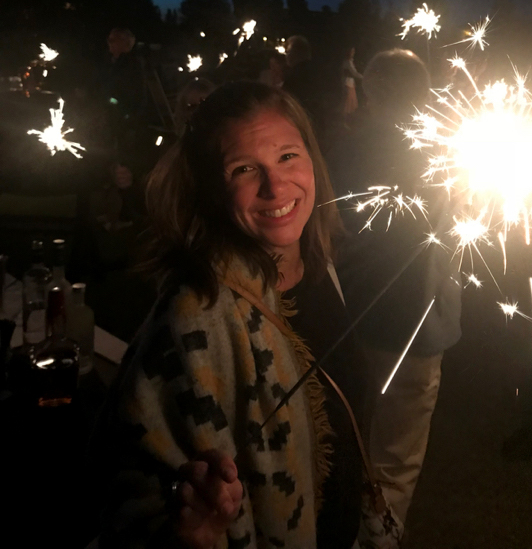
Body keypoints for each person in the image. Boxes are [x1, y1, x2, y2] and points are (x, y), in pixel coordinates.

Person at [93, 81, 376, 548]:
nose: (275, 186)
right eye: (244, 169)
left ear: (313, 159)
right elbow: (129, 487)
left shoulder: (318, 263)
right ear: (210, 188)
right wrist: (186, 528)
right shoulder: (198, 314)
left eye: (288, 156)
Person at [328, 48, 461, 528]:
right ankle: (378, 536)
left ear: (369, 93)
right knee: (395, 458)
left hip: (347, 318)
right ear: (424, 94)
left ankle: (334, 525)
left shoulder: (339, 151)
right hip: (416, 326)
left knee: (339, 434)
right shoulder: (453, 157)